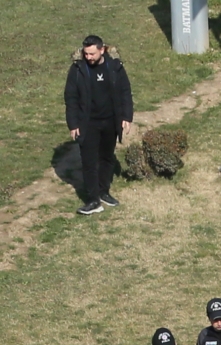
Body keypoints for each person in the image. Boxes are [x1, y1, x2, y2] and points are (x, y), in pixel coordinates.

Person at [64, 35, 135, 214]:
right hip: (88, 123)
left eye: (92, 54)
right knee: (89, 162)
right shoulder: (78, 70)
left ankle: (104, 192)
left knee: (107, 158)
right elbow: (70, 98)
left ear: (102, 50)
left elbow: (125, 92)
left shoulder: (115, 67)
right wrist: (73, 124)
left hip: (110, 122)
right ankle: (93, 200)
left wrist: (126, 116)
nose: (88, 57)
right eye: (86, 54)